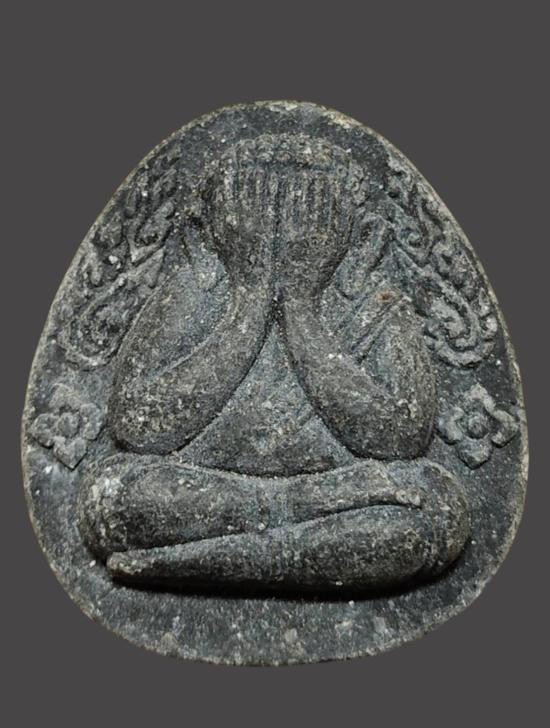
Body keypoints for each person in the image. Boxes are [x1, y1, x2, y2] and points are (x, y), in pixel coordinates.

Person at [78, 135, 470, 592]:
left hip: (340, 487)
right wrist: (250, 298)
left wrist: (300, 303)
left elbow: (401, 436)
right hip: (246, 494)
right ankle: (284, 537)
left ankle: (199, 559)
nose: (279, 235)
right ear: (204, 233)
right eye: (256, 219)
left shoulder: (373, 304)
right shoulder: (192, 293)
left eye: (307, 218)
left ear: (363, 237)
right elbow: (137, 426)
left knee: (436, 506)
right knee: (111, 497)